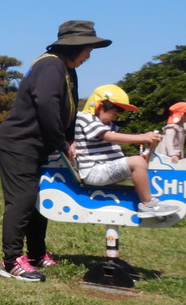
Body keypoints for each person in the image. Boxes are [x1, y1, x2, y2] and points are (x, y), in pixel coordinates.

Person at [0, 20, 111, 282]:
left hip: (38, 146)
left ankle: (35, 254)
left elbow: (67, 111)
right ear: (75, 47)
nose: (89, 56)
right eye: (88, 50)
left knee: (37, 200)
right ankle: (11, 261)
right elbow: (47, 106)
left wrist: (69, 140)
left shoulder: (67, 70)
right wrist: (62, 143)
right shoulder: (50, 65)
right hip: (19, 144)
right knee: (22, 200)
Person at [74, 85, 178, 216]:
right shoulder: (86, 118)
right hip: (94, 171)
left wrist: (146, 136)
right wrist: (142, 137)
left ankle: (143, 194)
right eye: (114, 114)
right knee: (137, 162)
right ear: (100, 106)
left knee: (144, 164)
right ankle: (148, 204)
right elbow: (109, 136)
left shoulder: (104, 123)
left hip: (103, 169)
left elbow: (122, 133)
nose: (115, 118)